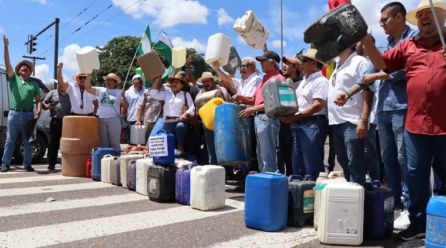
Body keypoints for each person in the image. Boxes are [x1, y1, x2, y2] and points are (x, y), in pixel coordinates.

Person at [359, 0, 446, 240]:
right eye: (420, 15)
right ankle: (419, 224)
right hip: (416, 123)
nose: (423, 17)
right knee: (416, 174)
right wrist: (364, 36)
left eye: (429, 12)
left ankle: (443, 224)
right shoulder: (408, 45)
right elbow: (381, 64)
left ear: (442, 16)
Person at [334, 2, 419, 231]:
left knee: (405, 160)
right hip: (383, 111)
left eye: (384, 20)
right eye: (380, 20)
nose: (380, 24)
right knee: (388, 160)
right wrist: (348, 93)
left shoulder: (414, 39)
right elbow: (366, 77)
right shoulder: (381, 45)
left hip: (404, 108)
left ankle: (413, 208)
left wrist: (378, 76)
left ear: (399, 17)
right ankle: (395, 205)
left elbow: (408, 70)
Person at [282, 49, 329, 181]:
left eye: (304, 61)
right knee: (298, 164)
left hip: (312, 124)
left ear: (313, 63)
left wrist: (295, 117)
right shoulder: (305, 81)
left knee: (312, 165)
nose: (301, 64)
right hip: (302, 124)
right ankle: (302, 196)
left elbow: (318, 105)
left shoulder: (321, 81)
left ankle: (314, 197)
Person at [328, 45, 371, 185]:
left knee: (355, 163)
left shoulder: (360, 62)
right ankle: (351, 197)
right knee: (343, 161)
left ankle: (359, 199)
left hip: (352, 122)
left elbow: (368, 91)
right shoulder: (338, 64)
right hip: (336, 122)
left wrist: (364, 119)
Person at [238, 51, 284, 173]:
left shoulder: (278, 78)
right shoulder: (265, 79)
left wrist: (252, 109)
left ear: (272, 62)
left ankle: (269, 184)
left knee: (267, 155)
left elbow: (275, 103)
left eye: (263, 61)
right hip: (260, 118)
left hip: (267, 117)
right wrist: (241, 98)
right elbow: (254, 99)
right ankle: (265, 182)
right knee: (261, 155)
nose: (261, 63)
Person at [1, 35, 42, 172]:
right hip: (14, 113)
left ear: (30, 72)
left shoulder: (34, 84)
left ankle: (27, 164)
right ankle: (5, 163)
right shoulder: (14, 80)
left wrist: (39, 110)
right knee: (10, 140)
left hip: (29, 115)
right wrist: (6, 47)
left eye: (27, 67)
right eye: (22, 66)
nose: (24, 67)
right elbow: (7, 64)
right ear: (19, 71)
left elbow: (38, 99)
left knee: (28, 141)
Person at [213, 58, 262, 173]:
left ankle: (250, 176)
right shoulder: (242, 82)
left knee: (251, 149)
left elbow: (255, 101)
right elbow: (226, 79)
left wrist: (241, 98)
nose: (242, 68)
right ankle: (245, 175)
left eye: (245, 66)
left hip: (251, 116)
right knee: (244, 148)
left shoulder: (257, 79)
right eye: (241, 67)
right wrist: (216, 68)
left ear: (253, 67)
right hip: (242, 117)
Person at [150, 75, 195, 156]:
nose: (174, 83)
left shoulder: (185, 94)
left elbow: (192, 108)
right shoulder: (167, 93)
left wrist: (184, 115)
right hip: (168, 120)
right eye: (173, 82)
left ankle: (180, 147)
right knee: (169, 138)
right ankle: (174, 155)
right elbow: (153, 94)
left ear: (182, 85)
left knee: (180, 126)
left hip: (181, 121)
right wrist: (157, 80)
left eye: (177, 82)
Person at [195, 71, 231, 166]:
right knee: (211, 150)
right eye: (203, 82)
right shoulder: (200, 93)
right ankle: (214, 171)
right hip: (208, 127)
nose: (205, 83)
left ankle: (228, 171)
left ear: (212, 81)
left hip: (223, 125)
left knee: (225, 148)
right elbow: (198, 110)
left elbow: (229, 104)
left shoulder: (222, 90)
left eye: (207, 81)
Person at [83, 73, 124, 152]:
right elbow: (87, 87)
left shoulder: (119, 92)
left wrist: (124, 97)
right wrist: (89, 76)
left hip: (114, 119)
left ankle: (118, 162)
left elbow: (126, 107)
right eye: (107, 80)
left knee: (115, 143)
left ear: (115, 82)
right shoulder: (101, 90)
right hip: (101, 119)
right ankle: (104, 162)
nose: (108, 82)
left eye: (110, 80)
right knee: (103, 144)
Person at [42, 63, 71, 171]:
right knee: (54, 142)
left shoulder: (71, 94)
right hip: (56, 121)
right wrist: (47, 106)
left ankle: (65, 163)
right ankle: (51, 163)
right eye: (59, 83)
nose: (61, 85)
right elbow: (44, 104)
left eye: (63, 84)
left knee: (67, 143)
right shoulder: (52, 93)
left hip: (68, 122)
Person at [276, 56, 303, 176]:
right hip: (283, 125)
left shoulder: (302, 84)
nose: (284, 66)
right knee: (286, 156)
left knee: (296, 158)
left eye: (288, 63)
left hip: (296, 125)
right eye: (284, 64)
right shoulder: (282, 84)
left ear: (296, 67)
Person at [135, 77, 165, 142]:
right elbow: (141, 107)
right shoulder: (147, 91)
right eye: (151, 78)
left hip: (161, 120)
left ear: (159, 78)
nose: (153, 80)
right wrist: (138, 120)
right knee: (144, 141)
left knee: (159, 142)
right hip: (147, 120)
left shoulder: (166, 90)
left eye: (155, 78)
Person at [123, 74, 146, 144]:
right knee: (132, 143)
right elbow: (123, 107)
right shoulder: (127, 92)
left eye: (142, 78)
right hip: (131, 119)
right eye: (138, 78)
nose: (140, 80)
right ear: (133, 81)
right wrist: (123, 119)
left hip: (144, 119)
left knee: (143, 142)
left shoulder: (146, 91)